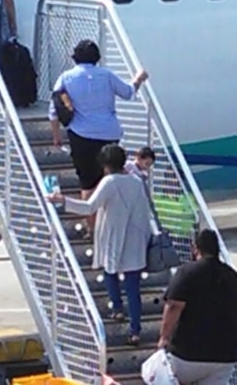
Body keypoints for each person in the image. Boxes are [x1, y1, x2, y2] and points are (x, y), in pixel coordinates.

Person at [47, 144, 152, 346]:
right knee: (133, 287)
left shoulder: (109, 182)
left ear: (106, 165)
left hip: (113, 235)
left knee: (109, 272)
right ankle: (135, 330)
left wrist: (62, 200)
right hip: (135, 238)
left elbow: (89, 207)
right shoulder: (137, 182)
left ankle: (117, 309)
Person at [51, 40, 149, 235]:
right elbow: (128, 93)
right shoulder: (107, 75)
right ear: (97, 57)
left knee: (88, 183)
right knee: (110, 179)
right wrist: (139, 78)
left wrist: (56, 136)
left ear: (75, 57)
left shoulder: (65, 78)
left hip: (81, 135)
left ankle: (94, 230)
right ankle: (113, 227)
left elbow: (53, 111)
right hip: (110, 134)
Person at [157, 229, 237, 384]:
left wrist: (164, 338)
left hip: (187, 353)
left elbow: (173, 307)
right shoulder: (232, 276)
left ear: (195, 248)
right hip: (225, 355)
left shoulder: (186, 273)